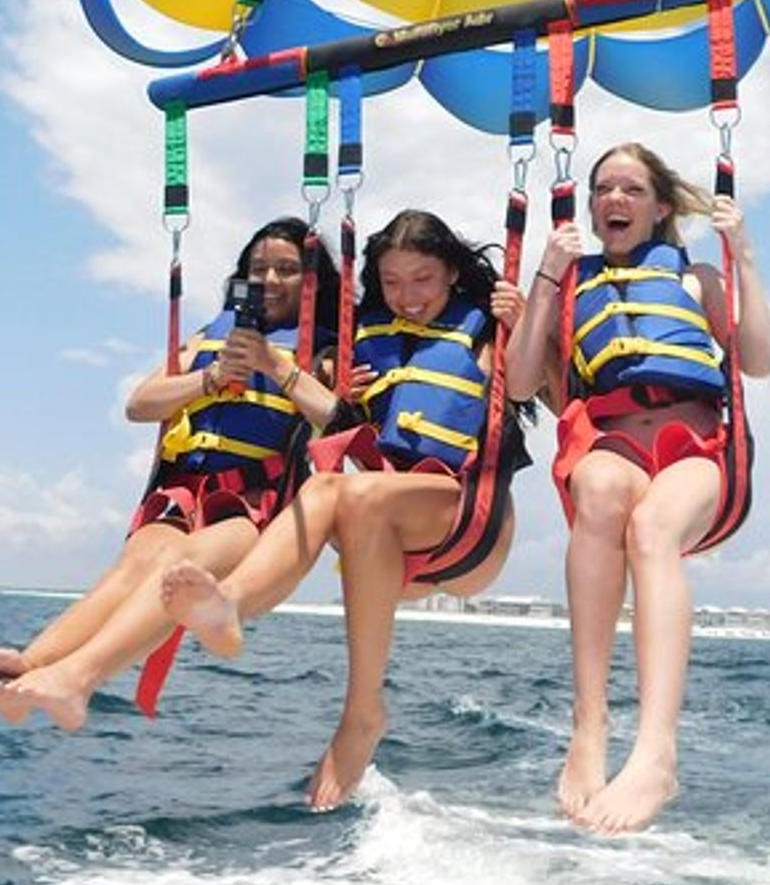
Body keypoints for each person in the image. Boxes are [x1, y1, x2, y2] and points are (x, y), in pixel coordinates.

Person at [161, 208, 530, 810]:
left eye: (424, 280)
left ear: (454, 277)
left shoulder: (489, 332)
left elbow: (533, 388)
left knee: (336, 491)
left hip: (468, 524)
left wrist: (529, 313)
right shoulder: (368, 346)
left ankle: (358, 710)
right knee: (340, 489)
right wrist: (335, 391)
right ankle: (225, 607)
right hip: (386, 537)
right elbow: (336, 424)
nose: (408, 297)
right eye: (392, 283)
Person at [0, 217, 341, 729]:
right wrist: (209, 378)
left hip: (254, 503)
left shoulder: (322, 351)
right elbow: (140, 404)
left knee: (181, 563)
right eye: (259, 269)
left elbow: (339, 419)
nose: (270, 280)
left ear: (313, 281)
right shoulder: (212, 337)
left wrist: (276, 367)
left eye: (287, 269)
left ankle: (77, 679)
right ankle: (31, 666)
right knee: (133, 564)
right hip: (183, 489)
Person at [504, 141, 770, 834]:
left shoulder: (696, 279)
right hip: (616, 438)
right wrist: (545, 275)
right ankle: (589, 728)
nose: (614, 201)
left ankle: (656, 752)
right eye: (603, 190)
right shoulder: (570, 284)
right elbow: (523, 379)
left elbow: (759, 362)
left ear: (659, 207)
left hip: (696, 445)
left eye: (630, 190)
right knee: (597, 491)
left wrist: (742, 256)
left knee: (653, 529)